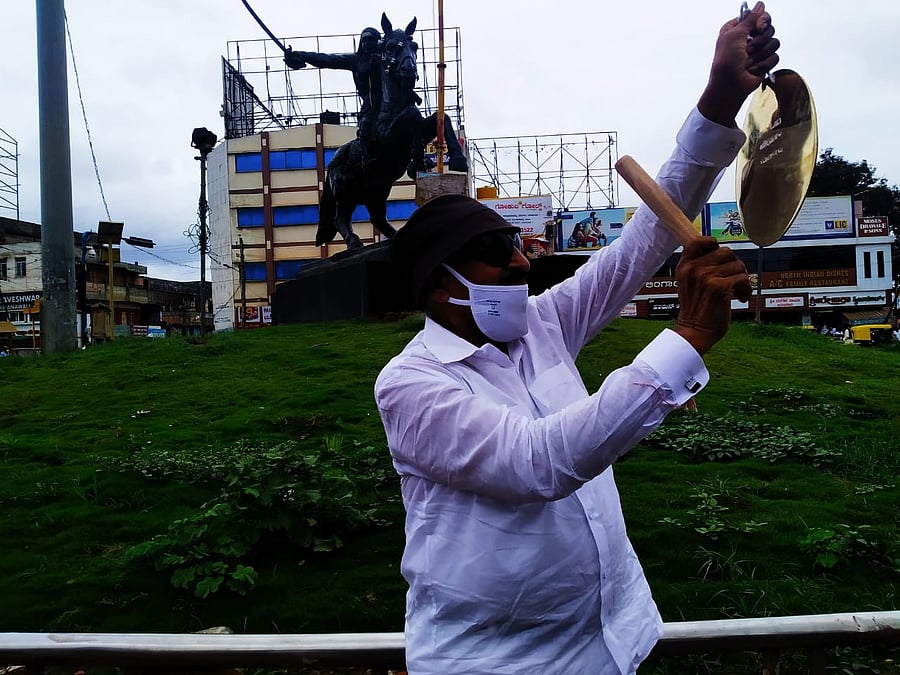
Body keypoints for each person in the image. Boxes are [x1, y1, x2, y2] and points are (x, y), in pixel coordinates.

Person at [374, 4, 777, 673]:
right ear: (439, 286)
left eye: (516, 240)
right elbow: (537, 463)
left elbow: (645, 237)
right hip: (496, 663)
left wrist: (718, 98)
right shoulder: (410, 386)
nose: (521, 261)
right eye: (494, 249)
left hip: (616, 640)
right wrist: (689, 336)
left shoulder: (541, 325)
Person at [284, 27, 383, 157]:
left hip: (389, 99)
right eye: (364, 40)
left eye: (370, 40)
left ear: (378, 42)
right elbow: (328, 59)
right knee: (365, 128)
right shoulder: (356, 60)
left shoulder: (386, 58)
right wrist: (301, 55)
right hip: (370, 105)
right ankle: (363, 157)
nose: (366, 44)